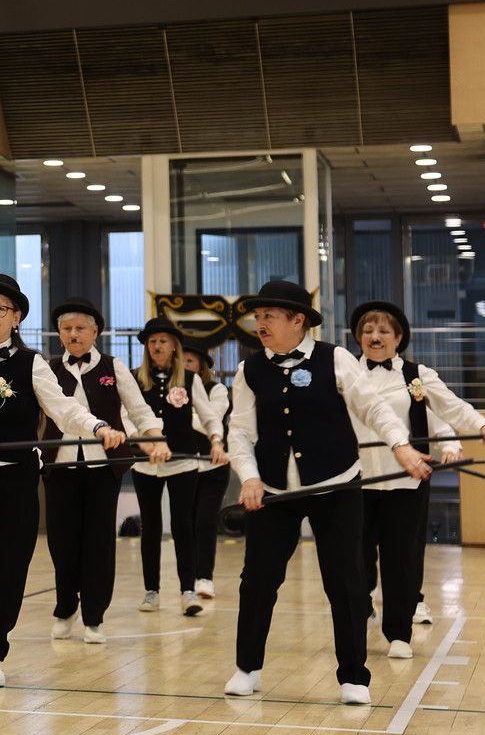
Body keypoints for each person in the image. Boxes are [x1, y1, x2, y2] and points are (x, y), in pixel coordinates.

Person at [224, 279, 423, 705]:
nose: (260, 324)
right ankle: (247, 667)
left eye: (269, 317)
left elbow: (373, 407)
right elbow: (239, 431)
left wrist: (401, 446)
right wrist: (249, 477)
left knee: (347, 582)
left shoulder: (335, 359)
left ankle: (353, 675)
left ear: (298, 321)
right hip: (274, 490)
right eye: (257, 317)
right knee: (257, 580)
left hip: (336, 485)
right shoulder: (249, 369)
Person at [0, 274, 126, 688]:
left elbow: (64, 410)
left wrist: (99, 425)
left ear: (16, 318)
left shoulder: (32, 363)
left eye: (0, 308)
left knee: (8, 568)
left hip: (16, 480)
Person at [348, 299, 485, 658]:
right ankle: (356, 617)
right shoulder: (346, 373)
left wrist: (481, 424)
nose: (375, 336)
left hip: (407, 481)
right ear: (358, 337)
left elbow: (450, 407)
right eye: (368, 331)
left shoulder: (416, 376)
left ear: (398, 338)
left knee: (402, 558)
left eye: (383, 331)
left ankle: (399, 633)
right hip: (354, 482)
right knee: (353, 559)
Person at [42, 299, 163, 644]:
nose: (73, 334)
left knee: (98, 542)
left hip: (103, 468)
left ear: (95, 332)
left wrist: (154, 438)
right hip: (59, 465)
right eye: (66, 329)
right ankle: (65, 606)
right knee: (62, 542)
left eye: (80, 328)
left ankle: (94, 615)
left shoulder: (114, 366)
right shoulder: (47, 368)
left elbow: (139, 411)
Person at [131, 317, 221, 619]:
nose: (157, 346)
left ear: (174, 347)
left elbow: (209, 417)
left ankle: (188, 590)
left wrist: (217, 441)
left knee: (183, 525)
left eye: (163, 341)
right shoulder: (134, 378)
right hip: (145, 465)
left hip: (182, 461)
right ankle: (151, 590)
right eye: (152, 341)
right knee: (151, 528)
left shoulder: (190, 379)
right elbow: (128, 420)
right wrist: (148, 445)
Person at [181, 342, 233, 599]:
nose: (184, 366)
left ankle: (205, 577)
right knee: (186, 523)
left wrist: (181, 415)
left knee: (204, 521)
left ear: (201, 365)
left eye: (190, 361)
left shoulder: (217, 389)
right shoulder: (171, 390)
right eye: (181, 361)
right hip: (184, 466)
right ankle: (187, 580)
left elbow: (210, 420)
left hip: (214, 466)